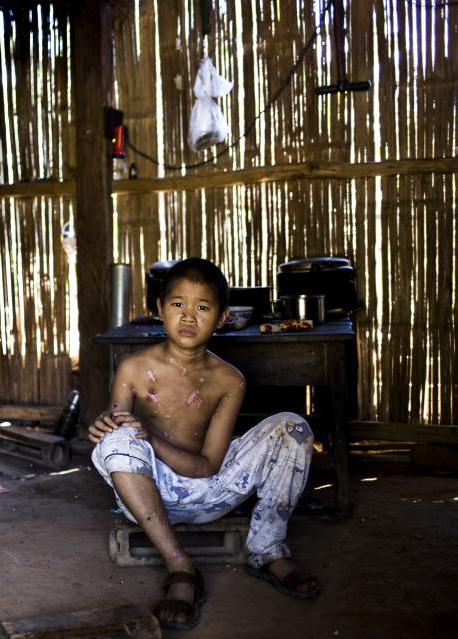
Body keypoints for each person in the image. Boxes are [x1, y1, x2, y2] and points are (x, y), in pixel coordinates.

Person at [89, 258, 320, 631]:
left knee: (293, 427)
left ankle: (267, 549)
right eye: (178, 304)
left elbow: (208, 466)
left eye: (202, 307)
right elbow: (120, 440)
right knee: (116, 436)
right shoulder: (132, 368)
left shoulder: (229, 380)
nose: (188, 317)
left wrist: (150, 438)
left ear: (223, 317)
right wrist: (102, 428)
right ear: (160, 309)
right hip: (148, 496)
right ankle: (180, 566)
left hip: (213, 492)